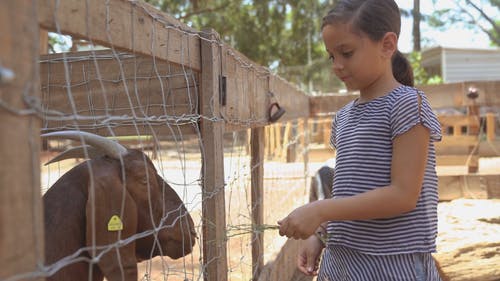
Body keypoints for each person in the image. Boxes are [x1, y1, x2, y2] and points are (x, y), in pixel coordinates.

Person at [277, 0, 443, 280]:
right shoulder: (344, 117)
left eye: (346, 52)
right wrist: (321, 233)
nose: (337, 66)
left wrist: (319, 210)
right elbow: (347, 192)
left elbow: (403, 195)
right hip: (342, 262)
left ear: (387, 45)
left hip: (392, 265)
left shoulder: (406, 105)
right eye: (332, 56)